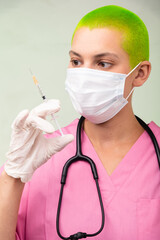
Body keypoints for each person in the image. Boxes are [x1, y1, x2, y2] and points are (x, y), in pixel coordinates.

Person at [0, 5, 160, 240]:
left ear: (140, 73)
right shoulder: (39, 157)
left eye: (103, 63)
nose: (84, 76)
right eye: (76, 62)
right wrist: (11, 176)